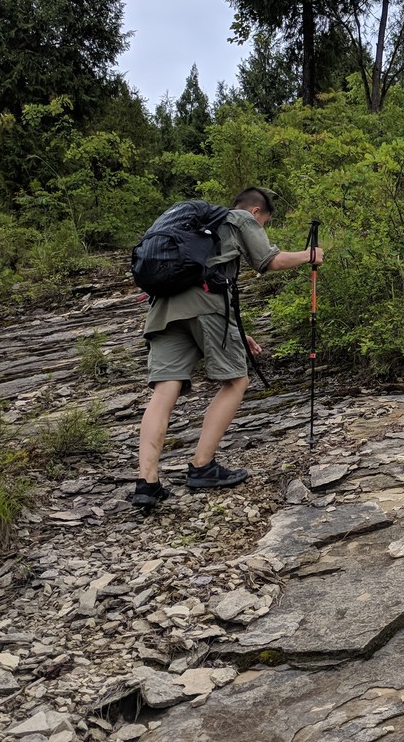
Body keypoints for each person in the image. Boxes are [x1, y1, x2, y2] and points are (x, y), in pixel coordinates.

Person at [130, 187, 324, 508]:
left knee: (165, 390)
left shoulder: (196, 226)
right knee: (236, 381)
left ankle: (147, 483)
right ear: (257, 213)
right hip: (206, 304)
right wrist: (310, 255)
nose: (262, 228)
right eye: (265, 224)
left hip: (162, 308)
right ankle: (203, 466)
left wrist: (237, 333)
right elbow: (269, 260)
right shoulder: (240, 219)